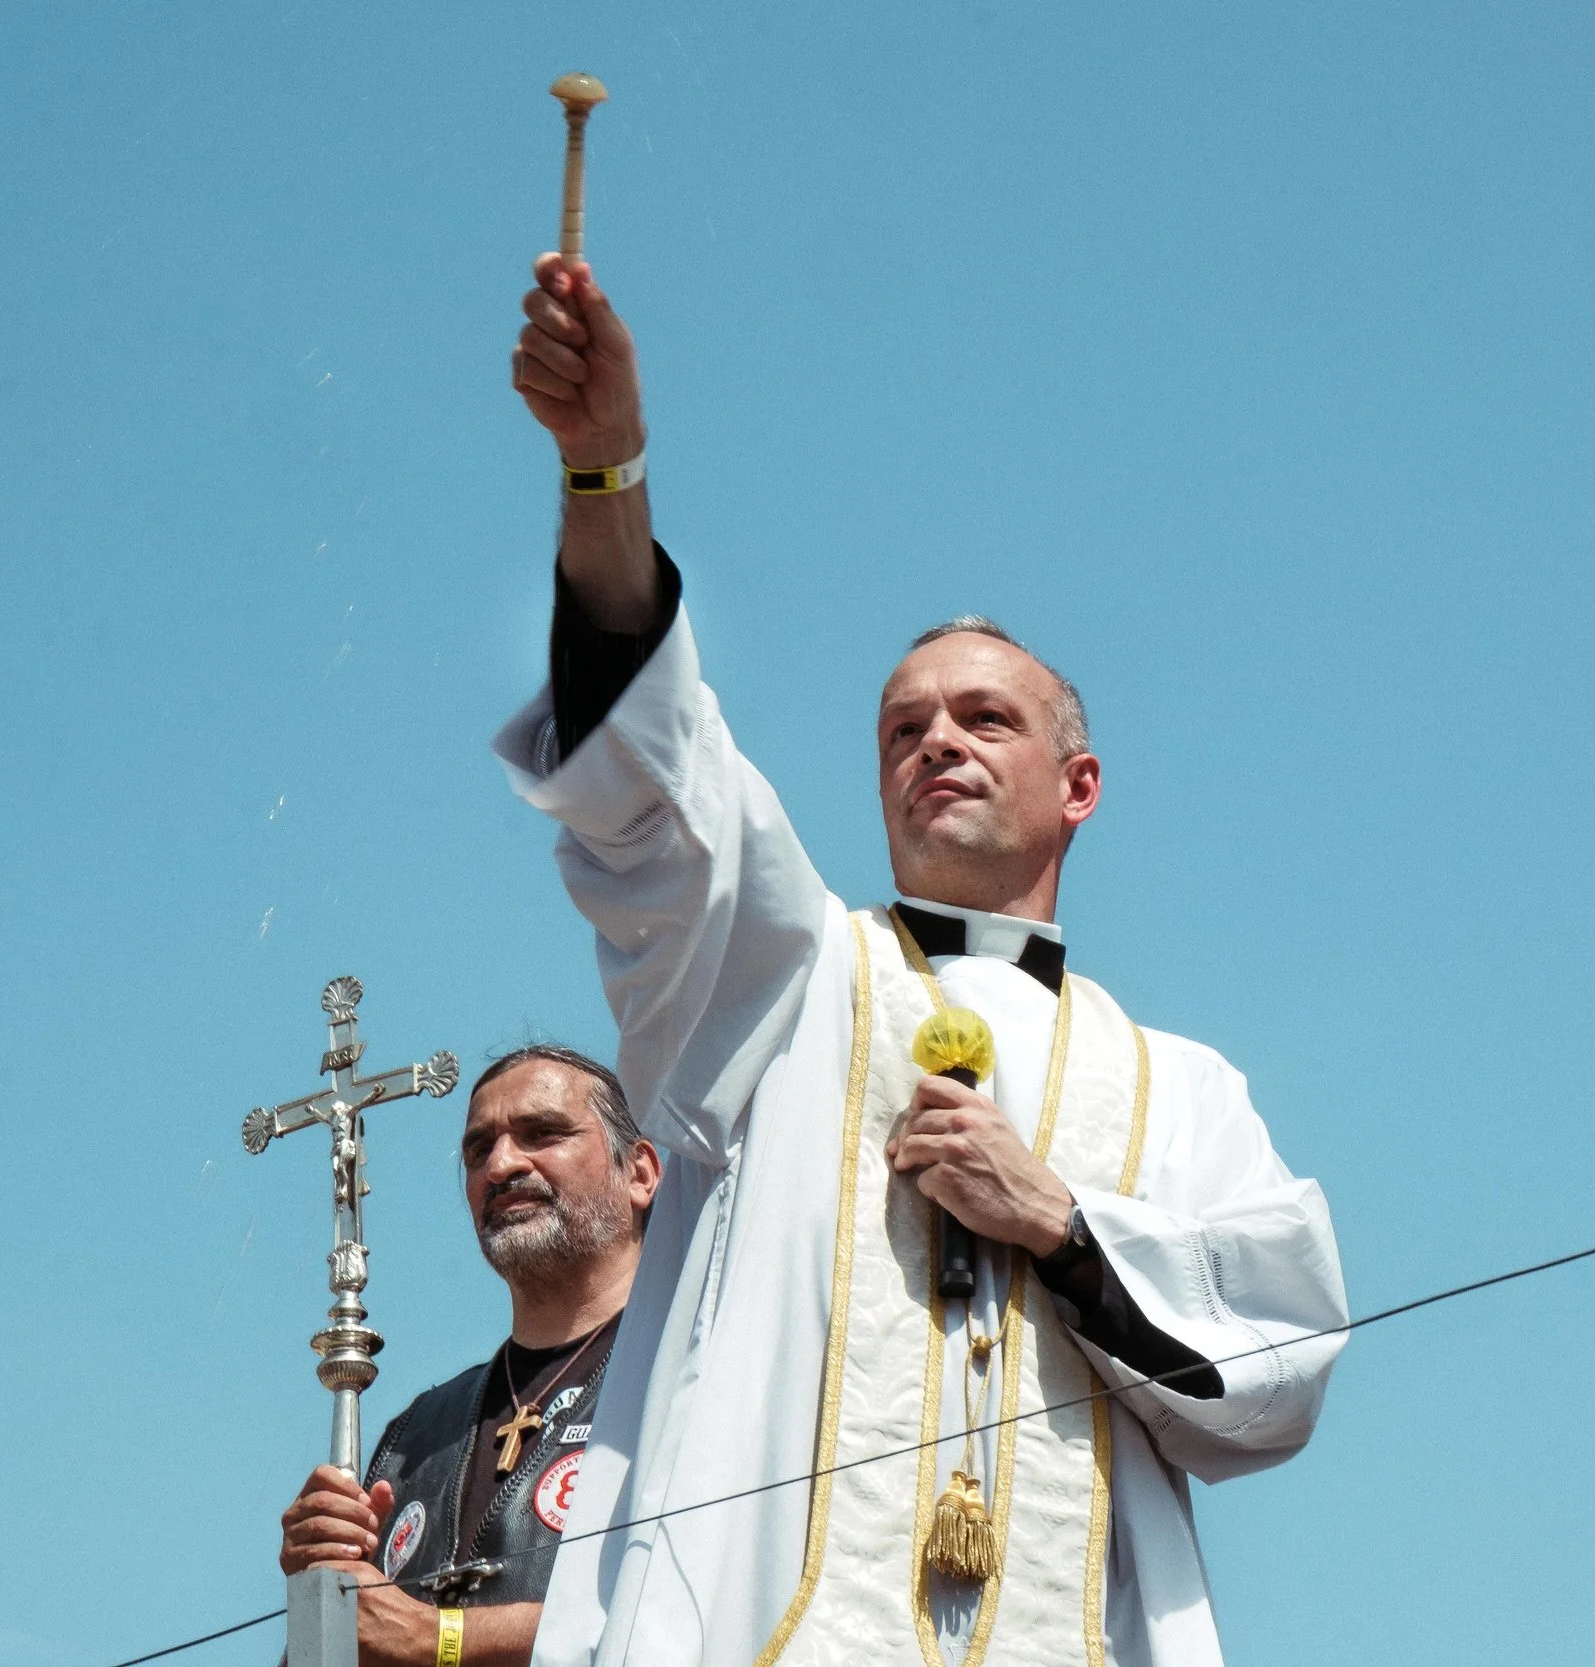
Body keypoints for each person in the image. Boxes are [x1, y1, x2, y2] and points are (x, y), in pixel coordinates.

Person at [495, 253, 1350, 1667]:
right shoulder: (787, 978)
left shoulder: (1184, 1089)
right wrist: (606, 471)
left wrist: (1063, 1223)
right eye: (902, 728)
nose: (935, 743)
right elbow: (663, 788)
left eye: (981, 719)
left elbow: (1282, 1363)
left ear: (1080, 784)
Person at [278, 1044, 662, 1667]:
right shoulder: (417, 1437)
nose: (503, 1163)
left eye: (543, 1133)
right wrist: (320, 1597)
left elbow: (719, 1599)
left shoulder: (690, 1368)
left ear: (640, 1172)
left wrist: (445, 1641)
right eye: (478, 1150)